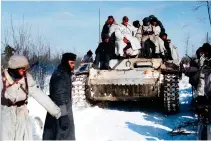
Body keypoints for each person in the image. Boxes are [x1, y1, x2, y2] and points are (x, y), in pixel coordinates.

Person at [1, 55, 61, 140]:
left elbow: (39, 94)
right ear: (14, 69)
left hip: (22, 115)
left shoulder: (27, 78)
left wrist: (56, 111)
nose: (25, 71)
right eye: (22, 69)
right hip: (5, 116)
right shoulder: (2, 79)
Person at [43, 53, 77, 140]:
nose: (73, 65)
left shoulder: (64, 73)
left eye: (74, 63)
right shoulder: (61, 75)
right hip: (61, 111)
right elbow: (59, 95)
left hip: (62, 109)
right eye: (71, 63)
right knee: (63, 135)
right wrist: (64, 115)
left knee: (58, 134)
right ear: (66, 62)